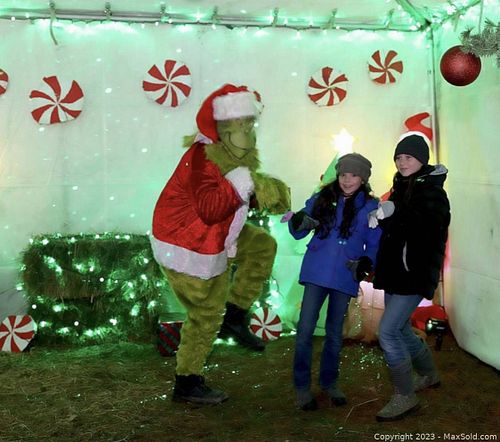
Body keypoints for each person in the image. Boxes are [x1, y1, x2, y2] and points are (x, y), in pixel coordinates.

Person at [151, 84, 290, 405]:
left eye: (249, 124)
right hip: (188, 243)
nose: (246, 131)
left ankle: (235, 315)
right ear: (222, 127)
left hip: (220, 233)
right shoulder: (203, 157)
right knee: (205, 313)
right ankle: (187, 382)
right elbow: (210, 208)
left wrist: (265, 193)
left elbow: (235, 197)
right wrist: (245, 185)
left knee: (262, 245)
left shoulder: (233, 155)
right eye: (239, 125)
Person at [288, 153, 381, 410]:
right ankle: (302, 387)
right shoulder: (322, 198)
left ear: (363, 179)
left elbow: (375, 243)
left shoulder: (371, 207)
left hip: (344, 275)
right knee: (305, 330)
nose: (347, 180)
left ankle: (329, 382)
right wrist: (299, 221)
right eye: (343, 175)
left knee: (334, 334)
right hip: (316, 272)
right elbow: (299, 231)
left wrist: (367, 262)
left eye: (353, 175)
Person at [370, 132, 450, 421]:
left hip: (414, 273)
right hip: (395, 273)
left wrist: (393, 211)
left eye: (409, 157)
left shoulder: (433, 193)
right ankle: (428, 374)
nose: (402, 162)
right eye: (399, 157)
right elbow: (396, 232)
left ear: (422, 160)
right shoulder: (402, 186)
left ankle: (405, 395)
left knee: (388, 331)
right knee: (401, 328)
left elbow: (425, 228)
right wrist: (380, 217)